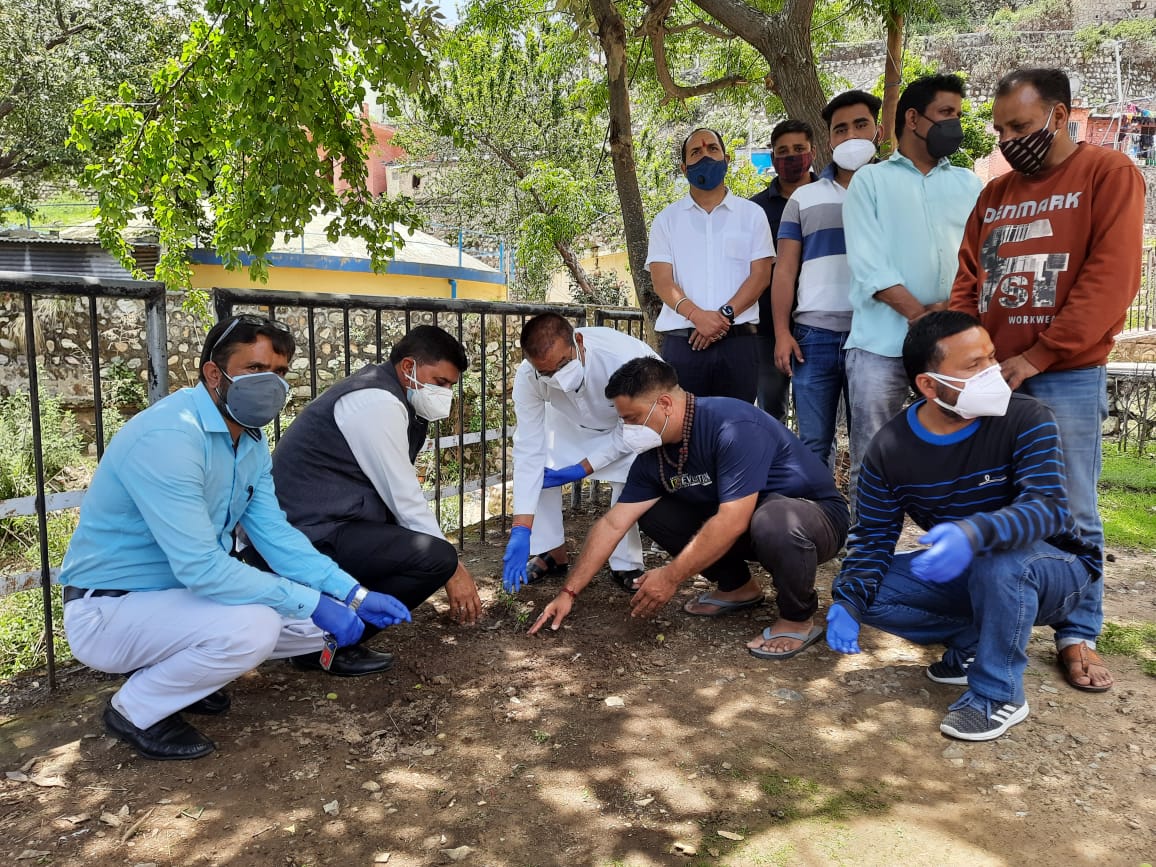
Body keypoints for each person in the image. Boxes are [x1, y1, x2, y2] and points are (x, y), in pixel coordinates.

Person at [59, 314, 409, 760]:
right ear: (213, 373)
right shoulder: (171, 436)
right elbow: (202, 567)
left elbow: (276, 536)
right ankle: (135, 709)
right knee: (257, 626)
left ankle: (182, 682)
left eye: (280, 373)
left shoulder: (250, 441)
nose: (273, 384)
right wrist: (312, 601)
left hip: (180, 601)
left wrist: (352, 594)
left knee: (316, 627)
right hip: (111, 608)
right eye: (256, 369)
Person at [950, 67, 1145, 693]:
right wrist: (965, 357)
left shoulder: (1109, 175)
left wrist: (1038, 355)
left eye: (1021, 125)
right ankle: (992, 621)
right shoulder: (995, 194)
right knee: (988, 498)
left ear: (1060, 116)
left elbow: (1110, 281)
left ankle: (1078, 631)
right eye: (1001, 128)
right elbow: (969, 280)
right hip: (992, 380)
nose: (1008, 139)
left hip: (1064, 374)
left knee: (1072, 506)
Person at [827, 311, 1102, 741]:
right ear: (929, 385)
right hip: (975, 571)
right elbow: (874, 537)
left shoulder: (1027, 417)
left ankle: (998, 693)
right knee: (867, 591)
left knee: (1001, 562)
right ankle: (975, 643)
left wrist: (975, 533)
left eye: (991, 357)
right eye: (974, 366)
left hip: (1056, 568)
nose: (993, 371)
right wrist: (848, 600)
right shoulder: (890, 448)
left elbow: (1048, 508)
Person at [529, 357, 849, 660]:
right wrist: (569, 592)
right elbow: (613, 523)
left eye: (632, 418)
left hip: (812, 519)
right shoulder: (654, 456)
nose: (627, 429)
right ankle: (738, 588)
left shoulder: (733, 426)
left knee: (774, 519)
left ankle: (796, 617)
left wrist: (670, 577)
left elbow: (732, 520)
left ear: (665, 404)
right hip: (749, 525)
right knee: (652, 512)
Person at [265, 325, 483, 675]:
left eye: (450, 387)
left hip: (326, 523)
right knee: (436, 559)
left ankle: (324, 628)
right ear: (409, 367)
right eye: (440, 382)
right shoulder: (376, 402)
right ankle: (325, 644)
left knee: (418, 550)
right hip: (302, 534)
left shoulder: (393, 396)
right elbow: (403, 496)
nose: (445, 393)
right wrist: (454, 570)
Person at [843, 74, 983, 503]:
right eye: (946, 114)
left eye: (958, 115)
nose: (954, 124)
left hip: (955, 349)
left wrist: (953, 314)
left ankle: (951, 549)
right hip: (880, 346)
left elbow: (981, 259)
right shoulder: (869, 182)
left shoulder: (970, 185)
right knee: (873, 454)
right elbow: (871, 267)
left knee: (963, 450)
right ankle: (868, 552)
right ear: (912, 118)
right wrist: (925, 317)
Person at [501, 314, 658, 594]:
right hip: (569, 423)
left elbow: (636, 426)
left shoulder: (625, 360)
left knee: (630, 479)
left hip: (628, 425)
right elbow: (528, 448)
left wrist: (582, 468)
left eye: (563, 364)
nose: (559, 378)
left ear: (579, 342)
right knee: (540, 469)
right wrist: (521, 527)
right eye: (547, 373)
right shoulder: (528, 377)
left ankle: (625, 562)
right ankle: (551, 552)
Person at [771, 91, 881, 469]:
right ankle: (818, 525)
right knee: (813, 445)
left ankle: (865, 528)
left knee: (871, 447)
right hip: (812, 338)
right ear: (829, 139)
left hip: (874, 336)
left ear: (877, 130)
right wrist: (783, 333)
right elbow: (784, 270)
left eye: (860, 125)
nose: (851, 136)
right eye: (841, 129)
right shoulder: (803, 199)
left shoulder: (895, 189)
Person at [645, 127, 775, 402]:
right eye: (696, 152)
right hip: (684, 344)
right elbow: (662, 281)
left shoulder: (752, 215)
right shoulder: (666, 221)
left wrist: (722, 317)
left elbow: (761, 275)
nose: (705, 155)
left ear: (727, 159)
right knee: (682, 433)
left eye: (712, 149)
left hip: (738, 343)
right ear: (684, 167)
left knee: (737, 431)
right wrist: (697, 317)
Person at [749, 119, 817, 421]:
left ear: (813, 152)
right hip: (766, 330)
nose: (791, 157)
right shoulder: (755, 210)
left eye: (799, 149)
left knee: (816, 416)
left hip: (820, 325)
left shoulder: (833, 197)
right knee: (771, 413)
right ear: (773, 157)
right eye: (783, 151)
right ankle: (775, 468)